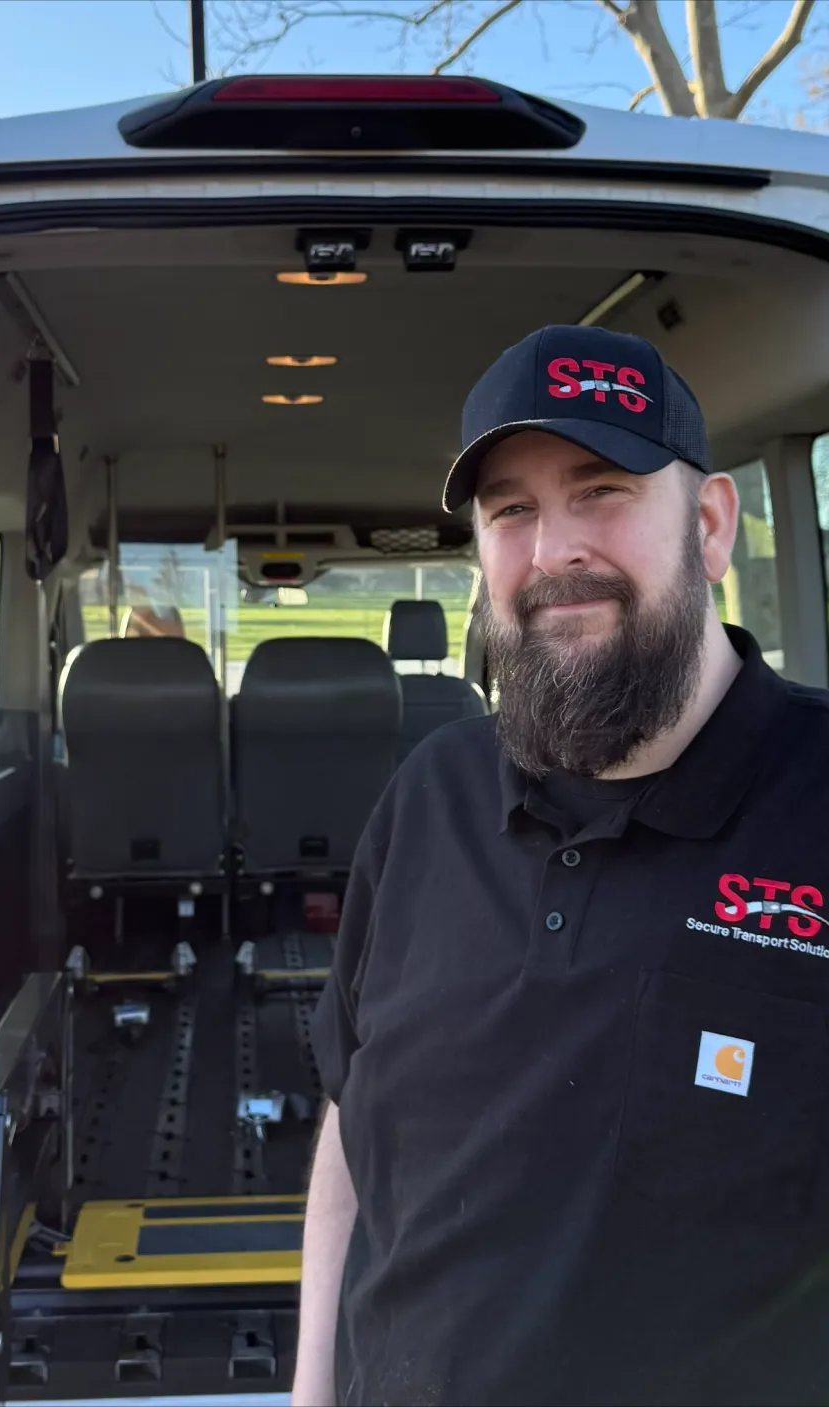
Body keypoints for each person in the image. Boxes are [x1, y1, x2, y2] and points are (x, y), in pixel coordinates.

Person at [295, 324, 829, 1407]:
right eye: (512, 511)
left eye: (603, 490)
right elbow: (357, 1128)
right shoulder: (428, 796)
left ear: (712, 524)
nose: (552, 553)